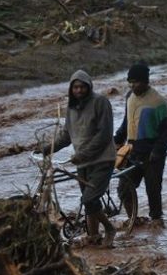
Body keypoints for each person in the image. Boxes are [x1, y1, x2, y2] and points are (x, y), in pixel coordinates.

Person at [41, 70, 117, 247]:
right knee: (90, 202)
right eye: (75, 87)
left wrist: (83, 154)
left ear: (89, 87)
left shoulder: (101, 103)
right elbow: (66, 136)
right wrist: (46, 149)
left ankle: (110, 229)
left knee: (89, 199)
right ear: (71, 89)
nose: (79, 90)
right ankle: (94, 237)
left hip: (102, 160)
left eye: (82, 87)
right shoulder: (71, 108)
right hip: (83, 162)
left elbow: (104, 134)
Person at [114, 62, 167, 227]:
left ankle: (156, 220)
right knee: (124, 188)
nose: (133, 86)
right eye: (131, 82)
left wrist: (159, 150)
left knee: (153, 188)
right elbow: (127, 122)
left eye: (136, 82)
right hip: (132, 151)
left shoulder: (158, 101)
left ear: (146, 81)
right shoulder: (129, 98)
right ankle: (133, 219)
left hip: (152, 153)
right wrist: (117, 140)